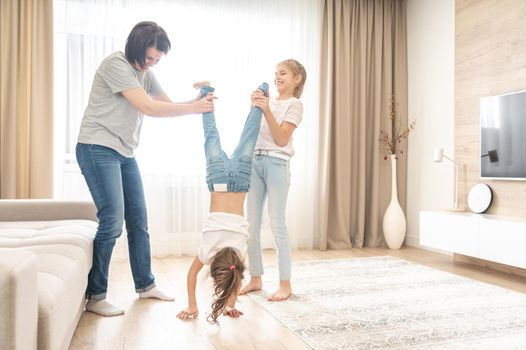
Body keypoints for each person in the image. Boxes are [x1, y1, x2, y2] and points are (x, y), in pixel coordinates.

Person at [76, 21, 216, 317]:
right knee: (112, 220)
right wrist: (193, 108)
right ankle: (96, 295)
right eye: (149, 58)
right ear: (136, 48)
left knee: (138, 219)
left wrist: (197, 101)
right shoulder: (117, 64)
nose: (152, 64)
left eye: (157, 60)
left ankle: (145, 284)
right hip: (97, 147)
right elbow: (149, 108)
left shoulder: (144, 72)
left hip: (123, 152)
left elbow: (167, 104)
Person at [177, 82, 269, 324]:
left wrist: (229, 305)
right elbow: (192, 274)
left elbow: (235, 278)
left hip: (240, 180)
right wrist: (192, 304)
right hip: (217, 179)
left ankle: (260, 96)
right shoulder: (208, 252)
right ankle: (207, 94)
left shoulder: (239, 255)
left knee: (249, 134)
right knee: (211, 135)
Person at [240, 59, 306, 301]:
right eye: (276, 73)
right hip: (255, 161)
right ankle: (255, 278)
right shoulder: (268, 102)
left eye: (283, 73)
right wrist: (255, 107)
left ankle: (285, 284)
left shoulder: (295, 105)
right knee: (251, 224)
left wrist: (266, 109)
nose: (277, 77)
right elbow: (251, 131)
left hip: (277, 163)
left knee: (277, 223)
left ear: (297, 78)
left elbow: (280, 139)